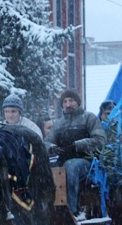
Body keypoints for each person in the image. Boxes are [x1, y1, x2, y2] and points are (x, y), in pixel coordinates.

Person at [45, 89, 106, 218]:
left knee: (71, 167)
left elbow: (100, 140)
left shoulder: (89, 118)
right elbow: (46, 143)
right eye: (65, 101)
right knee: (46, 170)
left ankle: (72, 210)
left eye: (71, 100)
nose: (68, 104)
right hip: (62, 159)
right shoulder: (59, 124)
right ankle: (50, 209)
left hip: (87, 161)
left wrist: (77, 145)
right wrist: (53, 148)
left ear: (78, 102)